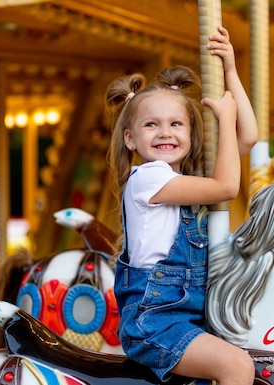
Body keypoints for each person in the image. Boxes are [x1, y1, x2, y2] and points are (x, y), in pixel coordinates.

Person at [107, 27, 257, 385]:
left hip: (190, 316)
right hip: (154, 321)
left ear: (190, 135)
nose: (165, 132)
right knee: (237, 367)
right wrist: (224, 117)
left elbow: (248, 137)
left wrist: (231, 72)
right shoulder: (147, 179)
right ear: (130, 138)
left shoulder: (188, 179)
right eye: (151, 125)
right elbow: (227, 187)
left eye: (176, 124)